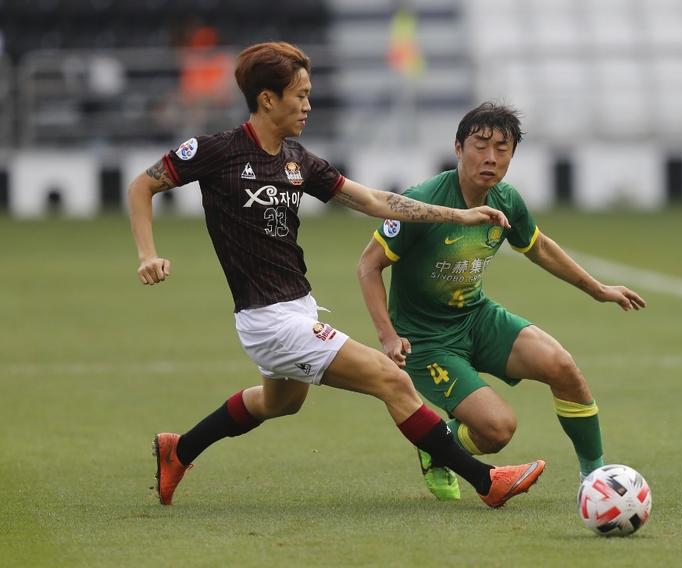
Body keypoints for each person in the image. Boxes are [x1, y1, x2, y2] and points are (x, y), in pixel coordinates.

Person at [128, 43, 546, 509]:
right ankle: (487, 481)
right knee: (393, 381)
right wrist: (148, 253)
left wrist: (457, 215)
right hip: (269, 321)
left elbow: (370, 200)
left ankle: (178, 450)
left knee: (279, 403)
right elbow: (142, 184)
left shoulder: (296, 160)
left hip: (298, 306)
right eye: (300, 95)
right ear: (268, 99)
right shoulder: (217, 151)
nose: (308, 105)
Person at [357, 102, 647, 501]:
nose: (491, 157)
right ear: (458, 148)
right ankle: (435, 448)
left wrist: (598, 289)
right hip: (426, 341)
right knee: (497, 431)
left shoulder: (506, 199)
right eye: (480, 145)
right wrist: (388, 336)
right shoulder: (422, 201)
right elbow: (368, 267)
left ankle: (595, 481)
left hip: (477, 318)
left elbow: (539, 247)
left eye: (503, 148)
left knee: (562, 367)